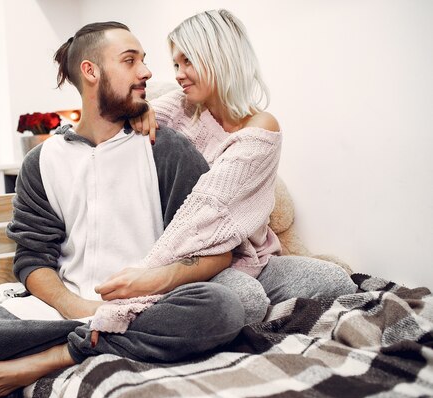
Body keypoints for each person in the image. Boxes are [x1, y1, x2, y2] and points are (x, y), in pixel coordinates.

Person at [0, 21, 245, 398]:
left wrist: (148, 287)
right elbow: (31, 260)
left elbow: (216, 252)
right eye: (130, 61)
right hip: (61, 311)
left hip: (146, 310)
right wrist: (74, 305)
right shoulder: (40, 162)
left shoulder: (167, 150)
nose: (147, 72)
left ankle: (60, 355)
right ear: (91, 71)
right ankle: (84, 337)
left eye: (144, 61)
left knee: (223, 306)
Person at [129, 9, 357, 322]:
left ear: (219, 57)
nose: (179, 73)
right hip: (192, 257)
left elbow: (218, 203)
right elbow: (118, 128)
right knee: (247, 302)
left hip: (251, 256)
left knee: (336, 281)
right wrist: (136, 110)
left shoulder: (262, 127)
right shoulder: (177, 106)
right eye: (175, 64)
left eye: (188, 61)